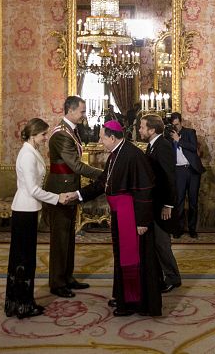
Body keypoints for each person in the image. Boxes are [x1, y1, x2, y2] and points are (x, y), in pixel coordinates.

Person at [69, 121, 162, 317]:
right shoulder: (115, 154)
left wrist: (143, 222)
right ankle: (124, 296)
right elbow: (103, 183)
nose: (99, 140)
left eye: (102, 137)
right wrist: (78, 195)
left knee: (134, 259)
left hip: (132, 215)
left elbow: (144, 190)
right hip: (120, 213)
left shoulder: (133, 155)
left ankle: (135, 302)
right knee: (122, 257)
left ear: (112, 137)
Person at [5, 118, 69, 319]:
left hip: (27, 209)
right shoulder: (27, 155)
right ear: (33, 134)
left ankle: (18, 302)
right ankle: (23, 305)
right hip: (25, 209)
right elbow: (33, 189)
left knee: (22, 258)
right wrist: (57, 198)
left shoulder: (30, 151)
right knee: (24, 259)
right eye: (43, 134)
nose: (45, 138)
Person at [44, 96, 103, 299]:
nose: (84, 115)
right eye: (82, 111)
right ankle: (57, 282)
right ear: (70, 110)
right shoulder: (62, 135)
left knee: (68, 236)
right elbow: (76, 166)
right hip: (61, 191)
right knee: (60, 238)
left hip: (68, 189)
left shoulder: (71, 131)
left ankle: (67, 277)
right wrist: (103, 174)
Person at [139, 114, 181, 293]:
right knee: (156, 243)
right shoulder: (152, 146)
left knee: (162, 244)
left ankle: (173, 277)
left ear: (152, 129)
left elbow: (169, 177)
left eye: (142, 127)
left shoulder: (162, 146)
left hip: (162, 205)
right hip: (154, 204)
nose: (139, 130)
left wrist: (168, 205)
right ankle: (161, 275)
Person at [169, 112, 205, 238]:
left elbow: (193, 147)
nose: (176, 127)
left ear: (181, 122)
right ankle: (178, 229)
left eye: (177, 124)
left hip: (192, 170)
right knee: (178, 201)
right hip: (178, 171)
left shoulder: (190, 132)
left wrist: (179, 140)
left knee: (193, 201)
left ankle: (192, 229)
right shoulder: (168, 137)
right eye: (173, 125)